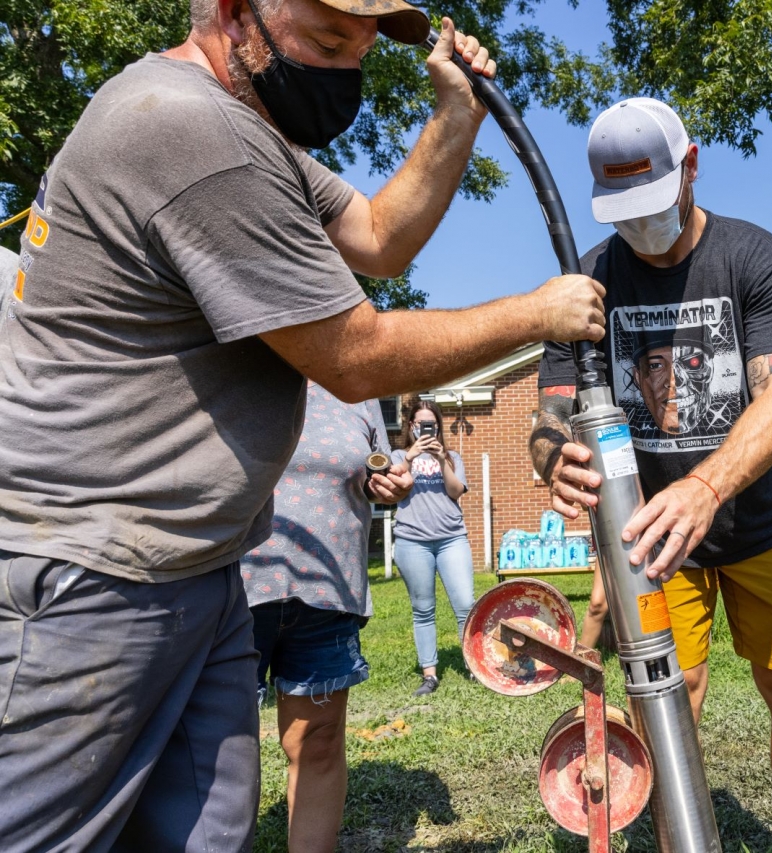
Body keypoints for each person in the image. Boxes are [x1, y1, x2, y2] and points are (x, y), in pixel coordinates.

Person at [0, 0, 605, 848]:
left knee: (206, 835)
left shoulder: (253, 137)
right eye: (326, 40)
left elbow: (380, 236)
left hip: (196, 568)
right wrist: (536, 312)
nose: (344, 70)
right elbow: (356, 355)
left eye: (360, 48)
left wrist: (455, 114)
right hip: (94, 572)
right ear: (232, 11)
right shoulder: (190, 133)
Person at [530, 98, 772, 853]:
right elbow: (548, 412)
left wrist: (706, 485)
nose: (641, 225)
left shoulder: (755, 258)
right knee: (669, 699)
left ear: (690, 166)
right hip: (653, 540)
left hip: (763, 524)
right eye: (622, 210)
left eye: (654, 202)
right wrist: (549, 457)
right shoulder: (587, 281)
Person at [242, 382, 412, 853]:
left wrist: (391, 484)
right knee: (220, 748)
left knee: (317, 741)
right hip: (234, 589)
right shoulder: (230, 354)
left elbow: (378, 466)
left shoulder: (356, 385)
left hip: (328, 591)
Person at [391, 399, 475, 697]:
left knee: (466, 605)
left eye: (432, 424)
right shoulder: (399, 455)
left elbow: (455, 492)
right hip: (412, 540)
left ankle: (473, 665)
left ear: (438, 427)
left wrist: (441, 462)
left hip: (451, 538)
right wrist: (410, 457)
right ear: (411, 426)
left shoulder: (452, 456)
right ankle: (430, 674)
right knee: (423, 609)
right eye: (420, 424)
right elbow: (392, 482)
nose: (426, 429)